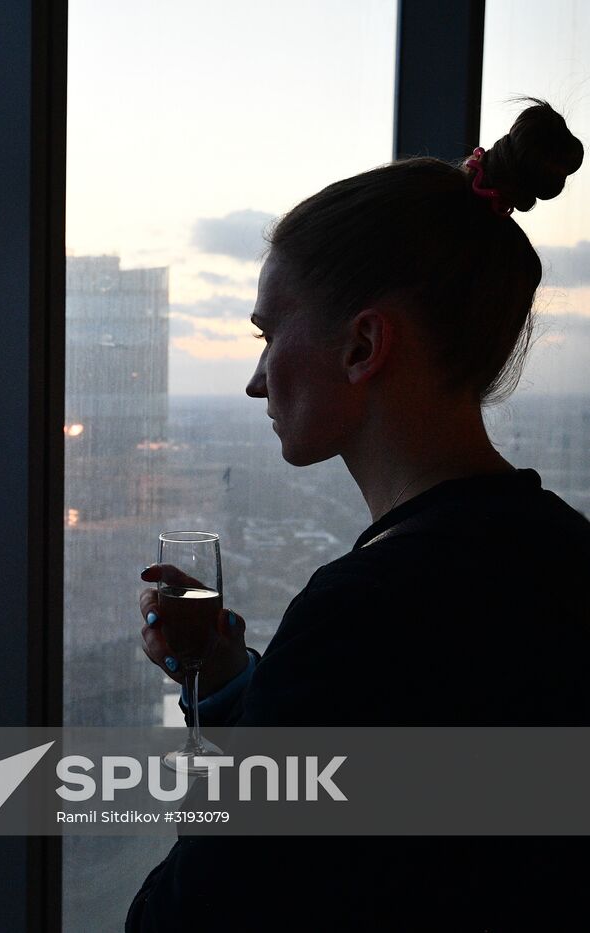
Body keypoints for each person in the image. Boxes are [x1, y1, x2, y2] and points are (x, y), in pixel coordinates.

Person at [126, 99, 588, 931]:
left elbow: (186, 915)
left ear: (363, 347)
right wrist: (236, 681)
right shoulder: (566, 557)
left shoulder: (364, 615)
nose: (256, 379)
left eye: (268, 334)